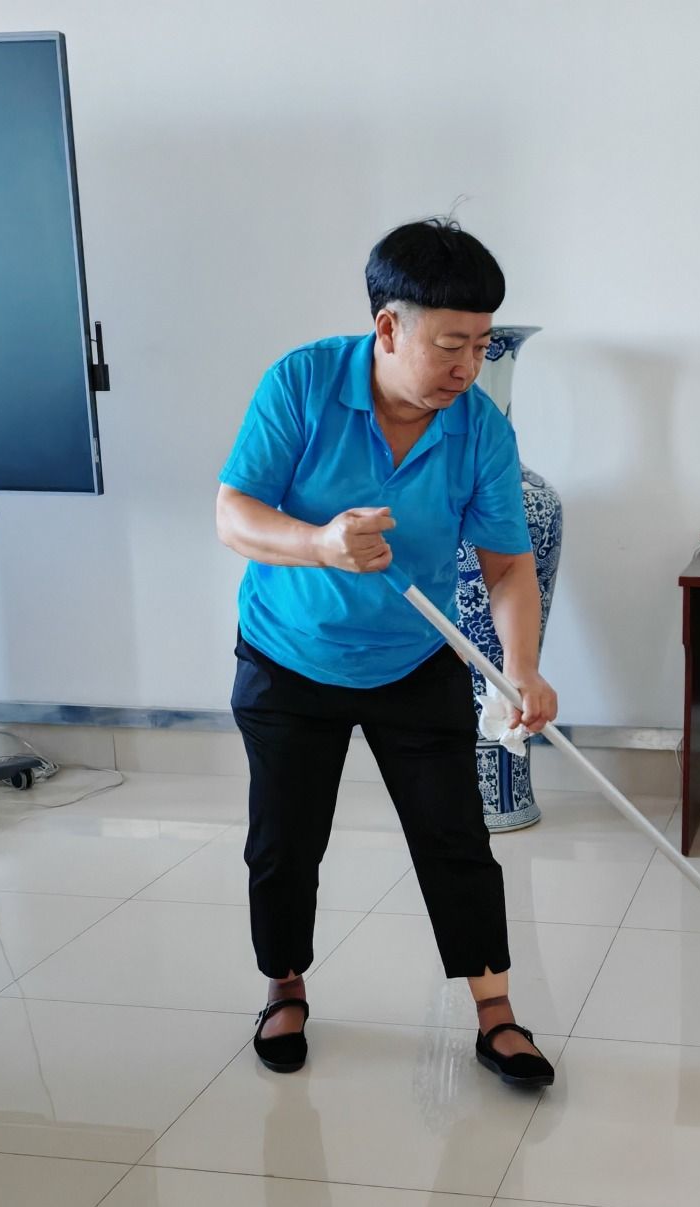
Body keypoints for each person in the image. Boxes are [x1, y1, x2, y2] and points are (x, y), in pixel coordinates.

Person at [214, 218, 557, 1087]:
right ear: (388, 327)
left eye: (481, 345)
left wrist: (521, 668)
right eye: (450, 344)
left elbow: (508, 564)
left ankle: (496, 1011)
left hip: (412, 658)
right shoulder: (302, 383)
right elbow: (234, 515)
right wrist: (321, 544)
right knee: (285, 840)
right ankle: (284, 986)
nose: (468, 367)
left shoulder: (479, 429)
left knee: (455, 836)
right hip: (289, 653)